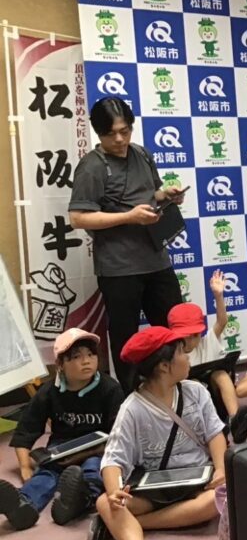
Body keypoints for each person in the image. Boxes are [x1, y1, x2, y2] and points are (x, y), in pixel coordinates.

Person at [69, 97, 187, 393]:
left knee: (173, 328)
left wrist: (166, 195)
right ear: (98, 133)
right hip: (119, 268)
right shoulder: (91, 167)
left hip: (156, 258)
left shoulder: (142, 154)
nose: (120, 139)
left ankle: (175, 389)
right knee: (126, 338)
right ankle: (131, 398)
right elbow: (78, 217)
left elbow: (151, 194)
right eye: (111, 134)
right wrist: (128, 217)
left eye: (125, 131)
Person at [95, 327, 226, 540]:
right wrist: (114, 491)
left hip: (199, 478)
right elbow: (113, 459)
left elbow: (215, 435)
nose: (188, 357)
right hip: (156, 484)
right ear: (164, 366)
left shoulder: (196, 391)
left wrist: (221, 469)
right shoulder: (132, 408)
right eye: (182, 353)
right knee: (105, 502)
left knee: (218, 498)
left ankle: (133, 525)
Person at [0, 329, 123, 531]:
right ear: (60, 364)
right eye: (76, 357)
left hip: (99, 448)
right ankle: (23, 505)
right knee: (46, 474)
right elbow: (26, 430)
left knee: (92, 470)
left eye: (91, 355)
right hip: (62, 447)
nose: (86, 361)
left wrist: (88, 453)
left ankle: (81, 500)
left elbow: (119, 436)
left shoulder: (110, 388)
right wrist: (25, 467)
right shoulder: (49, 391)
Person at [167, 271, 241, 436]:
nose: (190, 339)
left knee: (221, 375)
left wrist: (218, 296)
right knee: (193, 383)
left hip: (215, 399)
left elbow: (222, 322)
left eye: (194, 335)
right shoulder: (170, 353)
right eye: (185, 335)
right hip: (187, 408)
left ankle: (237, 421)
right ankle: (207, 429)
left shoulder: (206, 342)